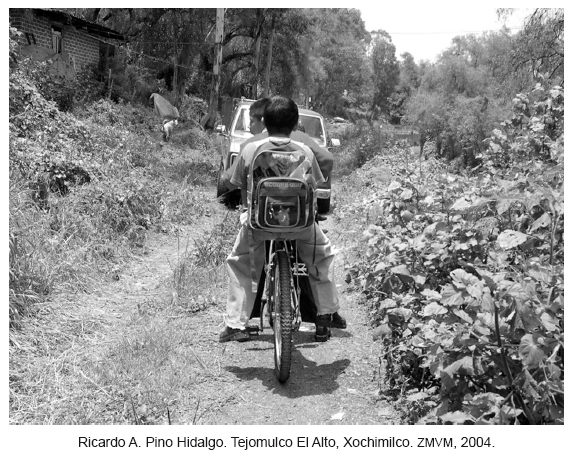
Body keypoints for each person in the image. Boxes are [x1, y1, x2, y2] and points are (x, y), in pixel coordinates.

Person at [219, 96, 346, 343]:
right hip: (300, 225)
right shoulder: (305, 151)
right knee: (322, 257)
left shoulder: (251, 149)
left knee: (240, 262)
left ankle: (235, 323)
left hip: (259, 225)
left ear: (265, 123)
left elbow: (232, 182)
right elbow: (316, 183)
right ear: (296, 124)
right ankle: (326, 313)